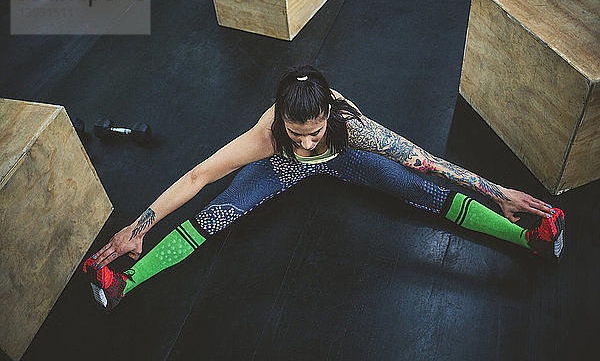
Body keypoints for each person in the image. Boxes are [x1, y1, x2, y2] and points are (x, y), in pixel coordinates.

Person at [82, 65, 565, 311]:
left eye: (315, 132)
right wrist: (140, 225)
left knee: (426, 191)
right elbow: (198, 176)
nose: (309, 142)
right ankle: (127, 281)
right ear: (280, 120)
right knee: (216, 212)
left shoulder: (355, 130)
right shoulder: (266, 137)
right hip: (281, 170)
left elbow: (427, 160)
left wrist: (497, 191)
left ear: (329, 118)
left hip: (351, 163)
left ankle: (527, 238)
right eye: (298, 134)